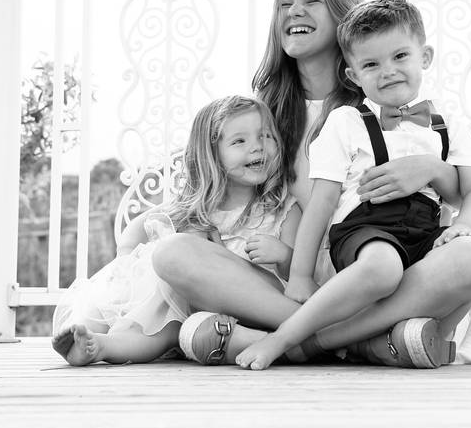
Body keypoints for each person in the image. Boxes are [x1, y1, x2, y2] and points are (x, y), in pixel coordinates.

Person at [235, 0, 471, 370]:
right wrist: (301, 275)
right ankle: (287, 337)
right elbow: (322, 203)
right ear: (353, 75)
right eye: (371, 64)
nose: (388, 71)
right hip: (365, 230)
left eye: (400, 57)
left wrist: (465, 227)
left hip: (425, 231)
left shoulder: (444, 121)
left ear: (425, 57)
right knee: (384, 266)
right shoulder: (346, 122)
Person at [51, 95, 298, 366]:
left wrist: (284, 256)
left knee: (167, 312)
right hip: (188, 309)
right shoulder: (193, 207)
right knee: (149, 303)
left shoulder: (281, 210)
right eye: (240, 141)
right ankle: (91, 339)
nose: (257, 147)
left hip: (251, 304)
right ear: (211, 154)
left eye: (266, 136)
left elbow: (297, 277)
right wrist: (124, 262)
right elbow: (137, 228)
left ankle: (101, 344)